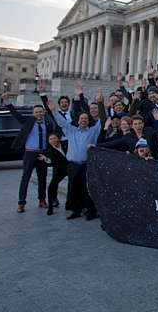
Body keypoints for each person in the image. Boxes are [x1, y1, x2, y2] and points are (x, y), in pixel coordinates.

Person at [44, 82, 103, 220]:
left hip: (86, 164)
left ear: (89, 121)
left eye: (86, 119)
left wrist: (101, 105)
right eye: (81, 118)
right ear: (78, 120)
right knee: (73, 188)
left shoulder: (93, 131)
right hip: (73, 164)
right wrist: (53, 111)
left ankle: (90, 211)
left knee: (87, 189)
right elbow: (62, 123)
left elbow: (102, 120)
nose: (83, 120)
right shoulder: (71, 131)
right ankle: (75, 210)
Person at [5, 93, 55, 213]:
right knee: (25, 178)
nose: (38, 114)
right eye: (36, 112)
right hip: (30, 153)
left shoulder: (47, 124)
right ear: (33, 113)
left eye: (40, 112)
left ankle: (42, 200)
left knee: (42, 178)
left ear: (43, 113)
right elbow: (16, 114)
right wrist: (7, 103)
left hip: (42, 154)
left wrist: (47, 154)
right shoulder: (28, 122)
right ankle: (21, 203)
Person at [43, 133, 69, 216]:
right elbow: (51, 161)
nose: (53, 140)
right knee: (52, 186)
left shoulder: (66, 144)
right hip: (59, 169)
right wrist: (46, 159)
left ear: (58, 138)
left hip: (70, 166)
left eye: (54, 138)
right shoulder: (50, 151)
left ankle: (72, 204)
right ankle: (51, 206)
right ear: (48, 142)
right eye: (51, 139)